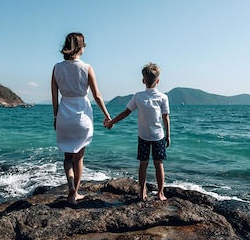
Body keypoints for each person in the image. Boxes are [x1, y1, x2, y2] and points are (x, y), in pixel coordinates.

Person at [52, 32, 112, 204]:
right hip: (82, 116)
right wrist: (107, 116)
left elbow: (54, 96)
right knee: (79, 157)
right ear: (79, 47)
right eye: (84, 44)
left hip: (64, 115)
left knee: (67, 158)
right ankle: (75, 193)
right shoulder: (86, 68)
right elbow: (97, 95)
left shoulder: (57, 68)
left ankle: (70, 185)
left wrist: (56, 116)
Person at [105, 63, 170, 201]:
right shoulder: (163, 97)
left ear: (143, 81)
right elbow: (166, 118)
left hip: (143, 136)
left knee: (143, 164)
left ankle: (142, 192)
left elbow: (126, 112)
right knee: (159, 164)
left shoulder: (138, 96)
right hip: (159, 136)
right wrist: (168, 136)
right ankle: (160, 193)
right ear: (158, 81)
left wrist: (112, 122)